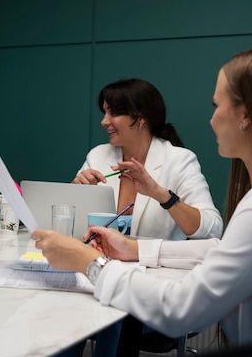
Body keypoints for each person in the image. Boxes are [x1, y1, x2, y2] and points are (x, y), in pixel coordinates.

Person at [34, 47, 252, 353]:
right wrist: (133, 249)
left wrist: (89, 263)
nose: (211, 119)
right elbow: (220, 250)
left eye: (217, 106)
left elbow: (181, 308)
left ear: (245, 115)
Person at [73, 78, 223, 240]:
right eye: (104, 113)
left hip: (154, 264)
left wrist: (162, 196)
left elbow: (213, 229)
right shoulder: (97, 156)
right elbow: (71, 225)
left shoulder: (179, 160)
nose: (104, 121)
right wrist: (76, 192)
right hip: (100, 262)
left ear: (141, 117)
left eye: (113, 112)